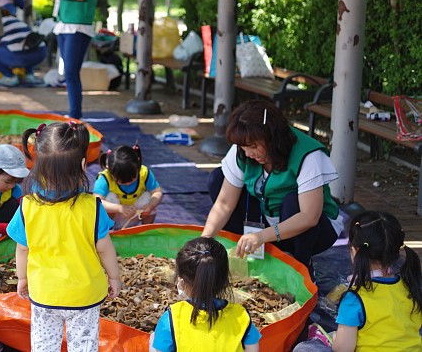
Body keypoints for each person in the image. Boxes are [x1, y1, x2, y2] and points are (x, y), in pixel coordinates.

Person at [7, 121, 121, 351]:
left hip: (44, 293)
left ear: (38, 167)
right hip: (84, 295)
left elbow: (22, 248)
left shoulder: (27, 206)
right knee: (83, 346)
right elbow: (105, 248)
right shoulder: (93, 207)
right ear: (82, 165)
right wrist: (114, 277)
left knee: (44, 345)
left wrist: (22, 278)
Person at [201, 100, 342, 271]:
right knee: (217, 179)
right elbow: (224, 204)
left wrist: (261, 236)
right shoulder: (243, 149)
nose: (248, 153)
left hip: (315, 229)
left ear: (272, 138)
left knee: (292, 202)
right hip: (266, 221)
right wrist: (204, 241)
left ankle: (300, 264)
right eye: (244, 147)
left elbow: (309, 217)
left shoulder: (307, 155)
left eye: (253, 146)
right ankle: (245, 253)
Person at [293, 211, 422, 352]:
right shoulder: (410, 286)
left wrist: (333, 339)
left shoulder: (354, 298)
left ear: (354, 251)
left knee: (305, 348)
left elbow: (343, 349)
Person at [150, 237, 261, 352]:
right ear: (224, 280)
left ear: (182, 282)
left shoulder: (171, 317)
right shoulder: (241, 316)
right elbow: (253, 349)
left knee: (154, 338)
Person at [42, 0, 100, 119]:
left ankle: (75, 115)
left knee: (71, 73)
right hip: (64, 24)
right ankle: (74, 114)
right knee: (68, 73)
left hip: (78, 26)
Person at [94, 144, 163, 229]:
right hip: (115, 216)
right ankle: (108, 231)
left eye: (132, 179)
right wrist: (119, 208)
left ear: (138, 166)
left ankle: (146, 230)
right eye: (122, 181)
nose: (127, 183)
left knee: (150, 198)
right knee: (109, 198)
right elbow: (96, 202)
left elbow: (157, 192)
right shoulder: (105, 178)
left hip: (135, 214)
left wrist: (150, 206)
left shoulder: (144, 173)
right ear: (110, 171)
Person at [0, 11, 47, 87]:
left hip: (19, 56)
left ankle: (10, 77)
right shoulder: (16, 20)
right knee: (27, 47)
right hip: (41, 51)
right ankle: (29, 75)